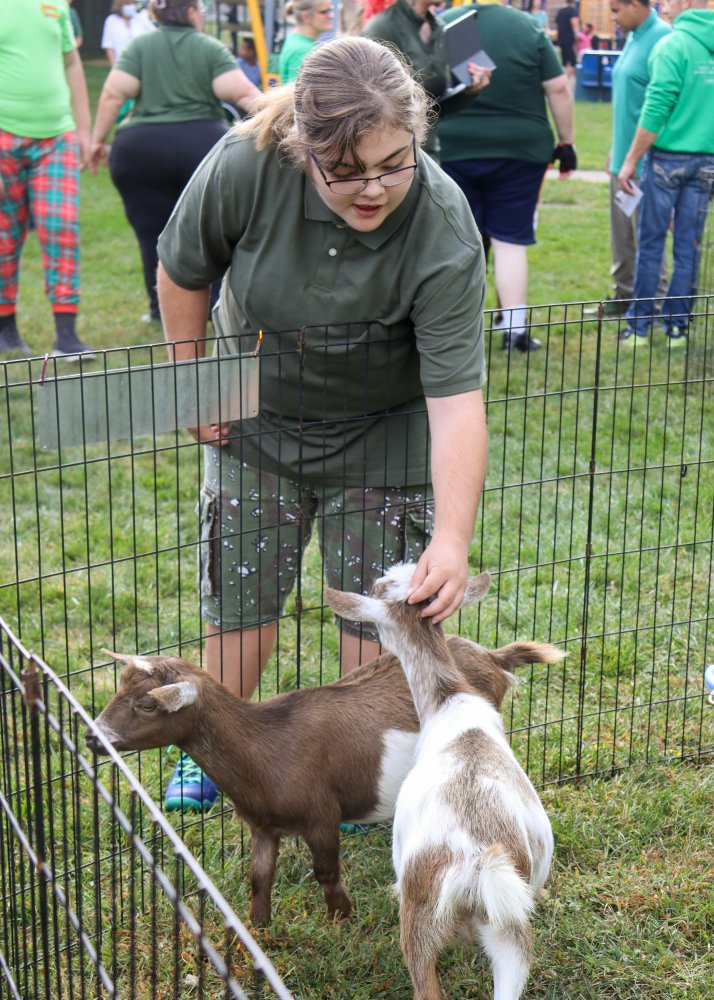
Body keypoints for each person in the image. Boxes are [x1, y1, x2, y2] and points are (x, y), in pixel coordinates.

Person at [155, 36, 488, 810]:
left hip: (384, 437)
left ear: (417, 136)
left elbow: (456, 401)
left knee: (373, 626)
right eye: (344, 169)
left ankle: (360, 771)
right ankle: (213, 750)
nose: (373, 188)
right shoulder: (243, 166)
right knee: (240, 600)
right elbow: (183, 269)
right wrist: (192, 379)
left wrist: (451, 539)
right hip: (257, 424)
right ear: (304, 149)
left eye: (394, 163)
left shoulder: (443, 225)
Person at [89, 0, 261, 326]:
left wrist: (97, 141)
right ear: (193, 12)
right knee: (212, 230)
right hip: (201, 146)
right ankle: (213, 305)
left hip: (139, 150)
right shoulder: (209, 48)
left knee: (151, 234)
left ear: (155, 13)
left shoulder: (139, 46)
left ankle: (159, 308)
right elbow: (244, 95)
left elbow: (113, 94)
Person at [438, 0, 576, 352]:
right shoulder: (528, 27)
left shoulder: (443, 24)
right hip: (520, 151)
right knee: (510, 241)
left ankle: (454, 329)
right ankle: (514, 329)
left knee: (457, 241)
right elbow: (558, 88)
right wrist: (566, 142)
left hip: (454, 148)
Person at [618, 0, 714, 347]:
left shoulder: (672, 45)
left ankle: (639, 327)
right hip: (706, 160)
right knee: (689, 246)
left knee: (651, 244)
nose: (664, 5)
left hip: (667, 159)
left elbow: (656, 107)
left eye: (670, 0)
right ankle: (677, 326)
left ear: (686, 3)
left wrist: (630, 159)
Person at [0, 0, 92, 358]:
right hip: (4, 135)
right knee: (4, 235)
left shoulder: (57, 4)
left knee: (61, 227)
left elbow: (71, 62)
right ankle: (5, 329)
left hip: (56, 137)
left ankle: (66, 335)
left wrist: (84, 129)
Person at [594, 0, 671, 318]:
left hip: (644, 164)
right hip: (623, 162)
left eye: (616, 10)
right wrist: (617, 148)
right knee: (622, 237)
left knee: (647, 239)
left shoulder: (662, 39)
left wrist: (638, 154)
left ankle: (654, 304)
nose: (612, 17)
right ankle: (623, 296)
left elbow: (663, 106)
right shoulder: (633, 35)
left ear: (637, 5)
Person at [361, 0, 492, 160]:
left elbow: (433, 108)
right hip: (394, 158)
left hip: (428, 154)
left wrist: (470, 91)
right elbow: (369, 105)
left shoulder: (438, 26)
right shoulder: (382, 27)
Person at [278, 0, 335, 82]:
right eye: (324, 12)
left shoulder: (295, 39)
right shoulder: (303, 51)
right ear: (306, 17)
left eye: (331, 10)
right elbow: (301, 89)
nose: (331, 16)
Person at [102, 1, 138, 66]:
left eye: (132, 3)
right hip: (121, 64)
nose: (130, 6)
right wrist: (114, 67)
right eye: (127, 4)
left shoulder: (139, 19)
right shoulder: (111, 20)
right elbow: (109, 46)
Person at [555, 1, 579, 83]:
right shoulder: (573, 11)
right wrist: (577, 39)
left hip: (561, 40)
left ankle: (565, 80)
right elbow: (575, 26)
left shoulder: (560, 12)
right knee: (572, 62)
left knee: (564, 61)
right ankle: (567, 81)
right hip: (570, 41)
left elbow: (558, 26)